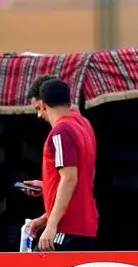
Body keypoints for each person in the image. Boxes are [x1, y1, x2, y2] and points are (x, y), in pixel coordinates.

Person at [26, 77, 99, 251]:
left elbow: (69, 180)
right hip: (85, 226)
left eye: (38, 109)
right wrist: (45, 216)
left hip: (67, 228)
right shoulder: (83, 125)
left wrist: (50, 225)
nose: (39, 115)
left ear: (44, 104)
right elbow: (84, 177)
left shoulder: (60, 132)